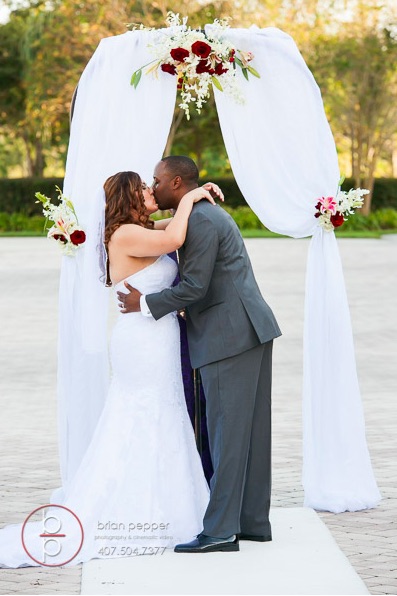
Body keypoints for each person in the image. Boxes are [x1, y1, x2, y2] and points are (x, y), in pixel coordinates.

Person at [0, 171, 221, 568]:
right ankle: (139, 511)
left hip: (158, 338)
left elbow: (173, 227)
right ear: (129, 197)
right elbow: (174, 240)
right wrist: (192, 195)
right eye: (143, 188)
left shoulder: (140, 228)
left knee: (165, 415)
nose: (151, 191)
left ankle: (175, 507)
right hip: (142, 342)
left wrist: (196, 196)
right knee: (143, 416)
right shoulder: (124, 235)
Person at [118, 156, 282, 554]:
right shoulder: (200, 213)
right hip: (246, 331)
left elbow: (194, 287)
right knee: (246, 433)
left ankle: (221, 531)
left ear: (176, 183)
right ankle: (251, 522)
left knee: (227, 434)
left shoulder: (203, 220)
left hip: (230, 336)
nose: (152, 188)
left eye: (156, 181)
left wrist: (145, 302)